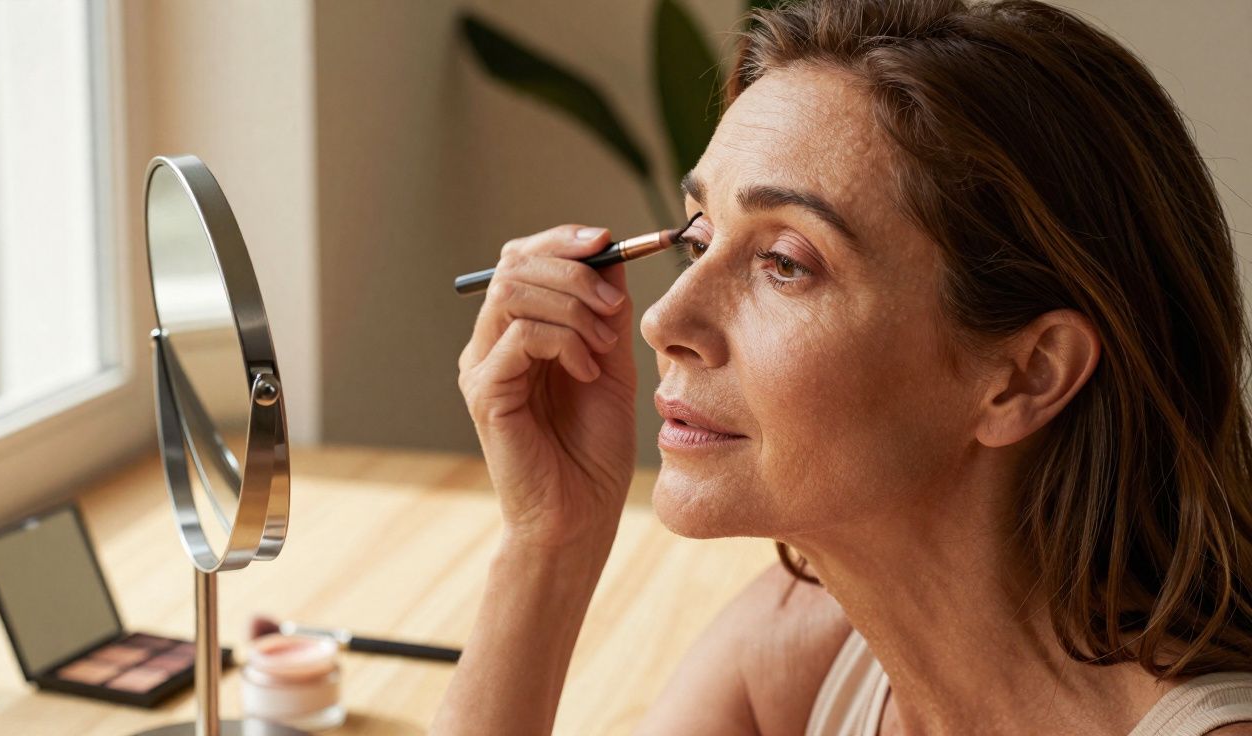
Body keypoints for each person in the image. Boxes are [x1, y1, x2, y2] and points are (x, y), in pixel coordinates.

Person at [432, 0, 1252, 733]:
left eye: (786, 262)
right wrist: (550, 541)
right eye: (697, 238)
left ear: (1027, 375)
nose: (663, 320)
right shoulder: (802, 651)